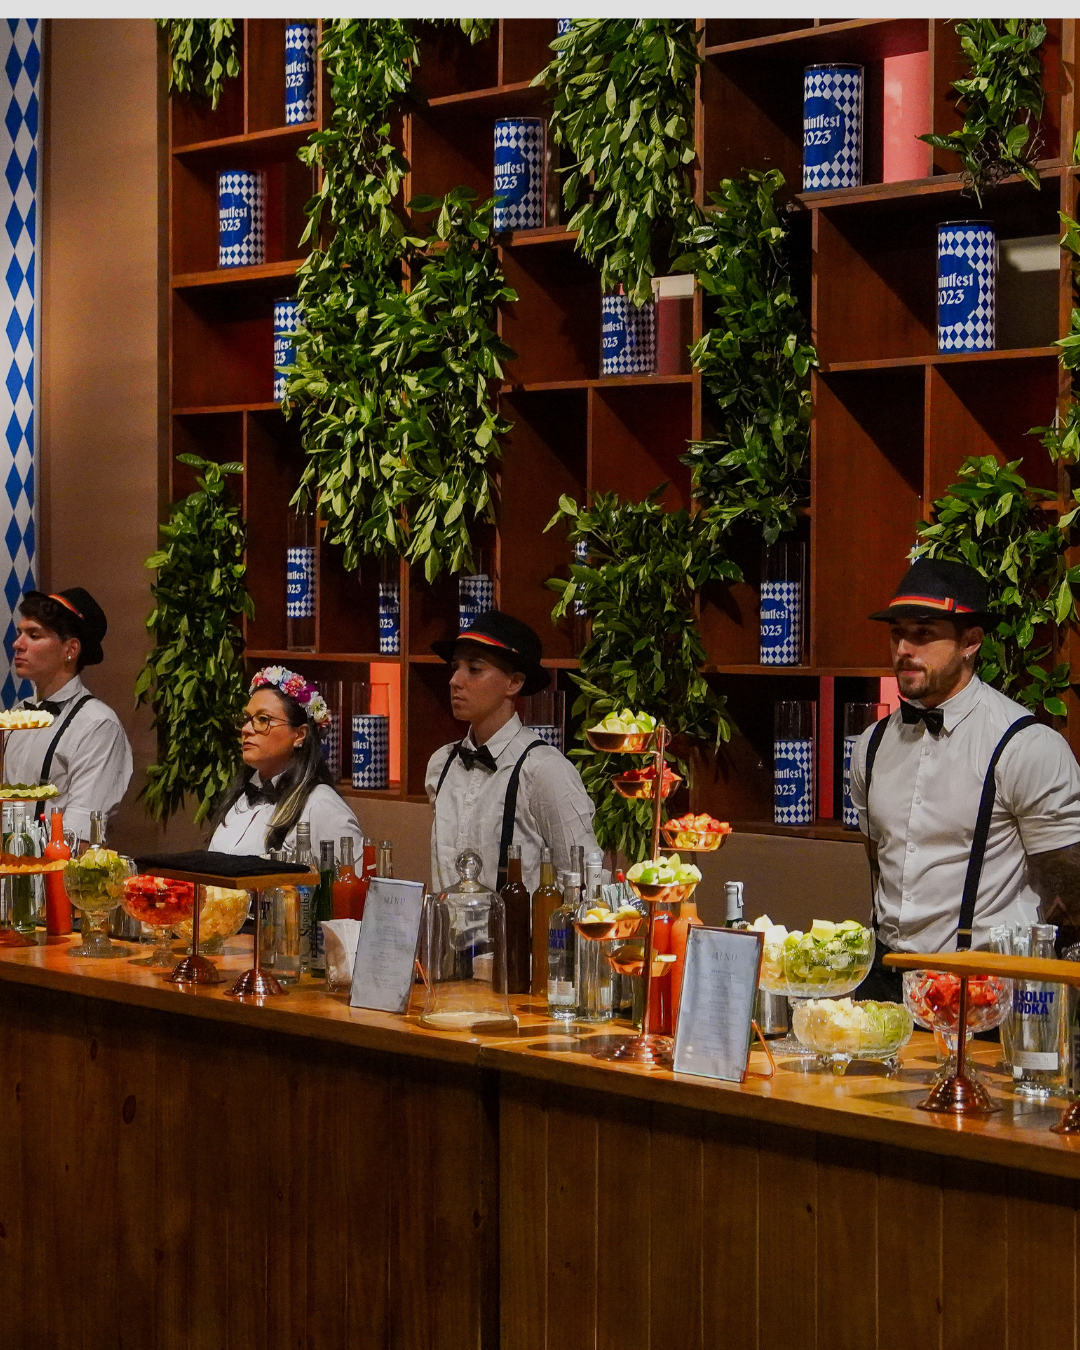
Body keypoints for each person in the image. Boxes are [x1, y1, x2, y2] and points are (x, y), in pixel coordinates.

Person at [848, 558, 1080, 1000]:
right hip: (886, 979)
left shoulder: (1024, 745)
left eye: (923, 634)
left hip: (984, 989)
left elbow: (1070, 903)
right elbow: (880, 862)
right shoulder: (870, 746)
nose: (903, 650)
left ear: (970, 641)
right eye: (897, 633)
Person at [426, 610, 598, 895]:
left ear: (514, 682)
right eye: (455, 667)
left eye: (474, 669)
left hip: (519, 938)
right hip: (448, 936)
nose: (454, 680)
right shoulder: (441, 764)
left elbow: (582, 879)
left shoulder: (544, 770)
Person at [4, 588, 133, 843]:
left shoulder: (97, 724)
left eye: (33, 635)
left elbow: (80, 835)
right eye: (20, 633)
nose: (17, 644)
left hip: (57, 878)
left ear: (70, 649)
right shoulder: (17, 714)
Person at [209, 665, 363, 860]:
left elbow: (355, 885)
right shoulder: (243, 797)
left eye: (263, 719)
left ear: (299, 735)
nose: (246, 729)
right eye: (247, 719)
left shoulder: (320, 805)